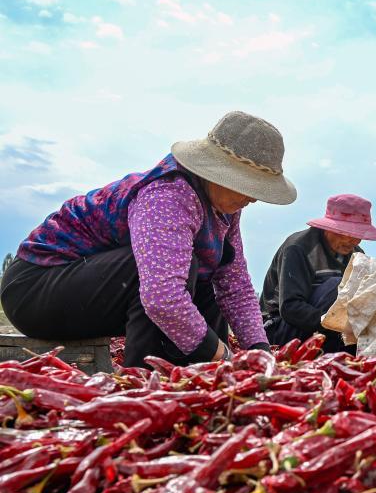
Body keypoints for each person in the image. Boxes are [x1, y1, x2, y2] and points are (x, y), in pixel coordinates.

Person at [0, 111, 296, 368]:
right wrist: (223, 356)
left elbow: (235, 285)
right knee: (171, 271)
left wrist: (259, 352)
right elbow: (162, 298)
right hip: (36, 291)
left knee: (208, 280)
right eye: (249, 187)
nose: (254, 199)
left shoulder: (224, 209)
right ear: (220, 174)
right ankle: (144, 382)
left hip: (90, 292)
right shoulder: (168, 195)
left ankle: (198, 380)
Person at [260, 194, 376, 353]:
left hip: (327, 328)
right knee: (336, 285)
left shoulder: (356, 255)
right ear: (331, 228)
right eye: (349, 234)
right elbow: (290, 308)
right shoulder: (298, 248)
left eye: (358, 236)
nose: (354, 241)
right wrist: (336, 325)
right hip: (281, 328)